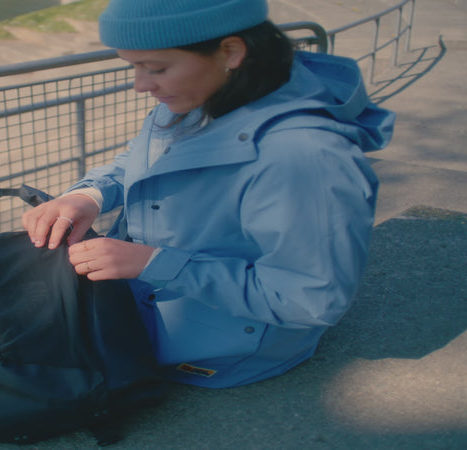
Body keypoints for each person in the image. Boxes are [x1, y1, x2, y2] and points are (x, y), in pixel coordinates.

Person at [22, 0, 395, 388]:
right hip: (142, 302)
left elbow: (309, 298)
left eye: (156, 68)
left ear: (230, 52)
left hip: (219, 351)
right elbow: (142, 157)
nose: (140, 85)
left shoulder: (308, 159)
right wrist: (90, 196)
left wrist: (153, 264)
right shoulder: (204, 92)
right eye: (132, 66)